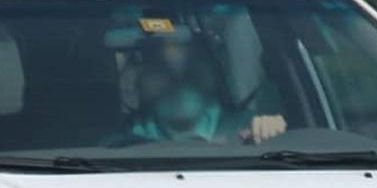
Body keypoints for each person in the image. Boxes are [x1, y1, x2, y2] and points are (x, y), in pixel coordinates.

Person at [120, 38, 287, 146]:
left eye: (190, 70)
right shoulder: (115, 143)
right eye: (162, 69)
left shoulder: (251, 128)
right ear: (141, 81)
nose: (179, 80)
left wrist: (274, 132)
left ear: (213, 75)